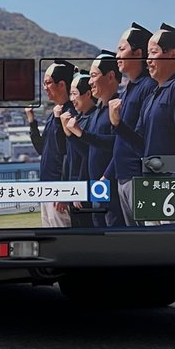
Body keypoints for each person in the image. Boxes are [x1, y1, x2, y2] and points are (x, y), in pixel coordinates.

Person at [105, 22, 157, 226]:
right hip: (124, 176)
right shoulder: (130, 88)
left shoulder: (148, 86)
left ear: (137, 53)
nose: (117, 55)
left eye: (121, 49)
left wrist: (117, 123)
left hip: (138, 176)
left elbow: (143, 138)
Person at [64, 51, 120, 227]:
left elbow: (118, 145)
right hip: (97, 185)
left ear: (110, 77)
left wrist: (107, 175)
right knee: (99, 229)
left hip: (109, 183)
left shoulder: (115, 106)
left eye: (93, 76)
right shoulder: (98, 112)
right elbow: (89, 151)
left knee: (113, 230)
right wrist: (72, 135)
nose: (90, 81)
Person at [121, 24, 175, 161]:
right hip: (151, 177)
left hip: (170, 179)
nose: (148, 60)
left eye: (154, 52)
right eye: (148, 54)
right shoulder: (151, 96)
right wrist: (118, 125)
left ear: (172, 55)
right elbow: (140, 144)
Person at [24, 59, 75, 228]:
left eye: (48, 83)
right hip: (47, 189)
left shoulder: (70, 114)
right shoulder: (54, 114)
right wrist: (32, 121)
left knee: (62, 241)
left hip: (58, 190)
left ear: (61, 84)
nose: (45, 88)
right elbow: (42, 149)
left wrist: (65, 191)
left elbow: (71, 155)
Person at [61, 72, 98, 228]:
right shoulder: (78, 119)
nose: (71, 99)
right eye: (70, 94)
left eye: (74, 94)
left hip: (87, 189)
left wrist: (79, 190)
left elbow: (87, 157)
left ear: (88, 94)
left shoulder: (93, 118)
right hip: (75, 187)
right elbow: (69, 158)